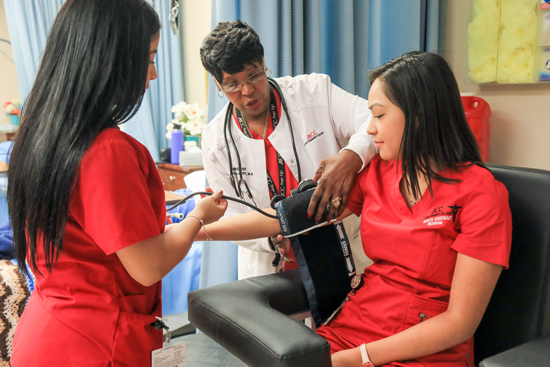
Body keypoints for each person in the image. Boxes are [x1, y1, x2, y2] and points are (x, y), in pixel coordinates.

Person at [194, 51, 512, 366]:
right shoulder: (380, 173)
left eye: (379, 115)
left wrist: (356, 359)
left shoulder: (481, 195)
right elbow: (284, 219)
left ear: (419, 115)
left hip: (423, 348)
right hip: (355, 327)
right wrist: (194, 230)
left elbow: (459, 323)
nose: (369, 129)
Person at [7, 1, 227, 366]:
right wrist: (197, 218)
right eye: (149, 58)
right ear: (111, 59)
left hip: (47, 331)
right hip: (95, 344)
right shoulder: (108, 149)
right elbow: (148, 265)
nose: (153, 74)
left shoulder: (38, 138)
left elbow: (94, 239)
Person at [200, 20, 376, 279]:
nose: (248, 90)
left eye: (254, 75)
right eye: (232, 84)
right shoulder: (216, 141)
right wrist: (271, 240)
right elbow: (228, 217)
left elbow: (375, 119)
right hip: (270, 266)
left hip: (339, 248)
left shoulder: (315, 92)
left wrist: (351, 156)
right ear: (217, 84)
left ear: (263, 63)